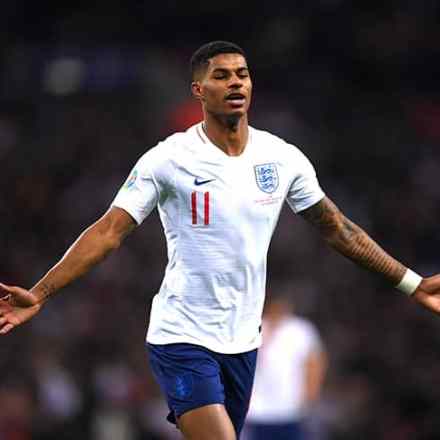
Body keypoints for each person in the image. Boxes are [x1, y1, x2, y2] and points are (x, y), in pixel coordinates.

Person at [1, 40, 440, 440]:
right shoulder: (168, 159)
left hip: (243, 343)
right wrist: (41, 292)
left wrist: (412, 283)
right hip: (181, 336)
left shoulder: (281, 158)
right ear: (199, 90)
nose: (235, 83)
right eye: (222, 75)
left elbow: (338, 228)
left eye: (242, 74)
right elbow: (108, 231)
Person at [245, 288, 327, 440]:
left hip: (290, 408)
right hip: (257, 410)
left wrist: (309, 397)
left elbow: (315, 364)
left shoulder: (301, 329)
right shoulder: (255, 326)